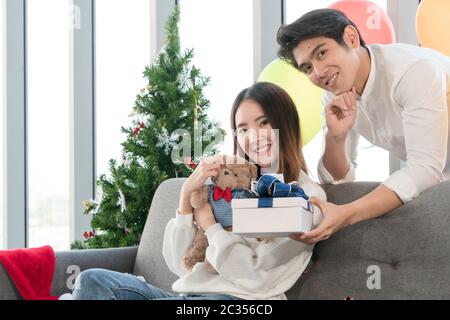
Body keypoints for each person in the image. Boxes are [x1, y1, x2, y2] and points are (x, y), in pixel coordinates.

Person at [70, 82, 326, 300]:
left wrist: (210, 225)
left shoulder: (304, 197)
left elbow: (256, 276)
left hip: (242, 301)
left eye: (264, 122)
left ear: (286, 124)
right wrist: (185, 201)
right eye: (243, 129)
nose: (253, 136)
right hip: (188, 296)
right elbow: (180, 266)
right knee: (92, 281)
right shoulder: (228, 187)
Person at [277, 8, 450, 245]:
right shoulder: (333, 96)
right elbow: (338, 180)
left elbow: (425, 169)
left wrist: (346, 215)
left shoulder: (412, 71)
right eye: (307, 67)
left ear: (350, 37)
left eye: (322, 53)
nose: (318, 72)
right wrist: (335, 139)